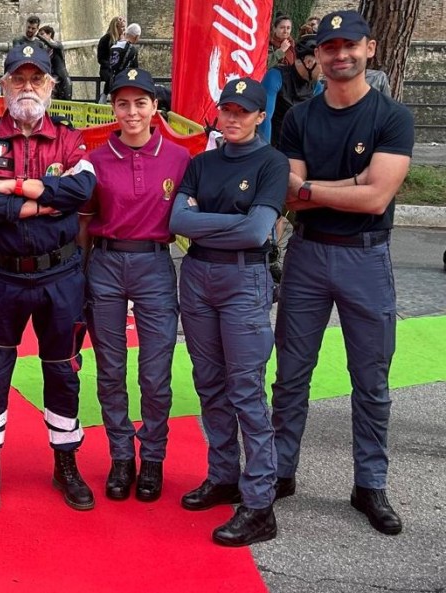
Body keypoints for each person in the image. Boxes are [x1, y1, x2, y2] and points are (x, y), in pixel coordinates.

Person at [271, 10, 414, 536]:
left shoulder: (392, 116)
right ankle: (280, 471)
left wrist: (315, 190)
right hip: (307, 256)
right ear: (318, 57)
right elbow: (288, 197)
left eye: (349, 45)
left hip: (367, 258)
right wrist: (346, 185)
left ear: (369, 48)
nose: (339, 55)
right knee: (290, 374)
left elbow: (377, 196)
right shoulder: (300, 119)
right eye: (329, 47)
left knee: (371, 381)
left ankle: (369, 485)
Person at [0, 44, 97, 514]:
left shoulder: (69, 138)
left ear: (52, 86)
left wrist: (12, 187)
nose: (27, 87)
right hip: (1, 275)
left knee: (63, 369)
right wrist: (42, 200)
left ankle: (65, 461)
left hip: (61, 275)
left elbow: (82, 190)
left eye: (37, 79)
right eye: (18, 78)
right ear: (4, 85)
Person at [170, 77, 288, 547]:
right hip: (197, 277)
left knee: (245, 391)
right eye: (227, 110)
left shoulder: (271, 163)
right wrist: (233, 222)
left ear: (261, 116)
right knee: (209, 384)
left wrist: (210, 224)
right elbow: (177, 221)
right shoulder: (202, 163)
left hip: (244, 280)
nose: (233, 118)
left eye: (244, 111)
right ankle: (223, 476)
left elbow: (258, 231)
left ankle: (260, 502)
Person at [79, 68, 190, 503]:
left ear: (155, 108)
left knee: (155, 371)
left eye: (140, 103)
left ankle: (155, 456)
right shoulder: (97, 157)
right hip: (105, 263)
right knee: (109, 369)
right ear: (113, 109)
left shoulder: (179, 158)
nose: (132, 112)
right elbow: (85, 223)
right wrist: (79, 272)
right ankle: (121, 456)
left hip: (154, 265)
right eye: (123, 104)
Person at [262, 34, 320, 149]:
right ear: (309, 62)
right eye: (323, 63)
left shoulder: (317, 87)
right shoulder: (276, 76)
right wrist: (265, 154)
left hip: (296, 148)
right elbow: (264, 117)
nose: (328, 69)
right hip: (272, 143)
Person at [106, 23, 141, 97]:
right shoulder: (132, 49)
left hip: (111, 82)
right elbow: (135, 69)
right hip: (124, 82)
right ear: (137, 37)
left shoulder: (114, 46)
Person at [37, 26, 71, 101]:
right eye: (40, 34)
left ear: (50, 34)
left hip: (63, 80)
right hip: (52, 80)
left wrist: (37, 35)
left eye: (42, 34)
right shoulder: (45, 50)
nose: (41, 37)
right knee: (53, 106)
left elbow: (51, 44)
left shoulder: (58, 45)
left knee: (66, 108)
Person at [96, 16, 125, 92]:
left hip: (119, 69)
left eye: (124, 27)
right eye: (122, 27)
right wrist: (111, 66)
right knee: (112, 78)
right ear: (116, 27)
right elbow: (100, 59)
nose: (124, 29)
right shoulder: (105, 39)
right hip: (107, 70)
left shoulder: (123, 40)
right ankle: (105, 96)